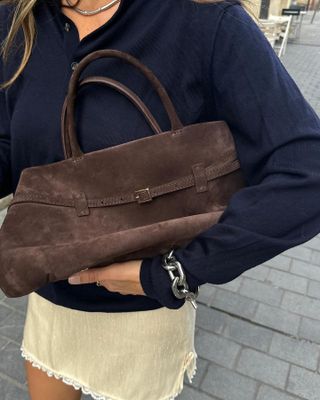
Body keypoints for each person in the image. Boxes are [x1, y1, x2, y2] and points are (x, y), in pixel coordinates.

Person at [1, 0, 320, 399]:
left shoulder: (204, 19)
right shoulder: (19, 22)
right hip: (51, 292)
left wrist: (179, 271)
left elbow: (306, 172)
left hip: (142, 309)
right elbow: (10, 141)